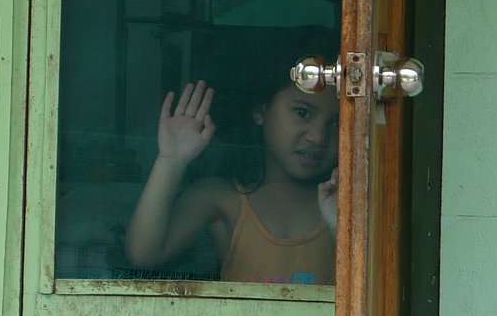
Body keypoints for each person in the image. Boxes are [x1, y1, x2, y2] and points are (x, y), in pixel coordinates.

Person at [125, 68, 338, 284]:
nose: (319, 137)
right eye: (303, 113)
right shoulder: (222, 198)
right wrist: (171, 160)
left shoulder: (343, 207)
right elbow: (144, 255)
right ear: (260, 110)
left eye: (336, 123)